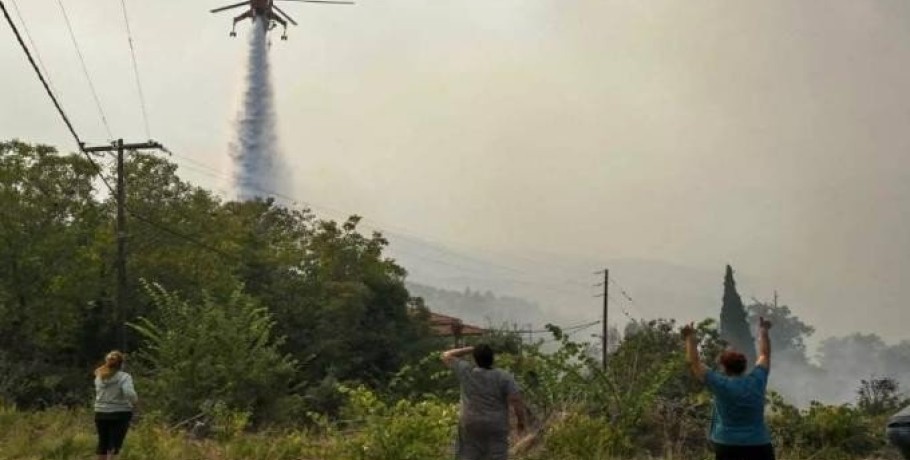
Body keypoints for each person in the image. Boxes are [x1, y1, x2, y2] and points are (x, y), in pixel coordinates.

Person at [682, 317, 775, 460]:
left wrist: (690, 337)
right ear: (744, 366)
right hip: (758, 443)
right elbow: (764, 355)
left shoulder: (720, 384)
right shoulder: (757, 380)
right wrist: (763, 331)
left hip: (727, 444)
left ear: (724, 368)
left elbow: (695, 362)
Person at [442, 344, 528, 460]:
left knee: (470, 455)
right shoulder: (504, 376)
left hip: (470, 423)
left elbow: (446, 355)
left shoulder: (466, 371)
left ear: (475, 358)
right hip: (496, 424)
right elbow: (516, 400)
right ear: (492, 358)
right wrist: (521, 421)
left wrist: (471, 349)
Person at [93, 350, 138, 460]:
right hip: (120, 413)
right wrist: (135, 401)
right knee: (115, 445)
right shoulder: (124, 377)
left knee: (103, 443)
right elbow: (128, 393)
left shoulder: (99, 376)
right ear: (121, 364)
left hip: (100, 413)